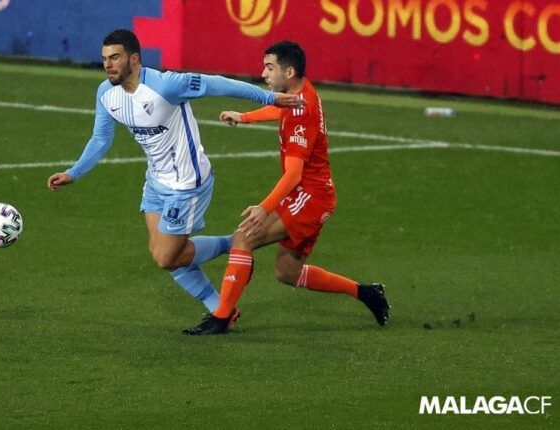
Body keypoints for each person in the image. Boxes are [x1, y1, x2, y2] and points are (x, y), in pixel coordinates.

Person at [47, 29, 304, 321]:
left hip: (187, 184)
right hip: (156, 182)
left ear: (134, 59)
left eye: (115, 57)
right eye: (105, 58)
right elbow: (101, 139)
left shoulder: (166, 85)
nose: (108, 64)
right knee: (163, 254)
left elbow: (215, 84)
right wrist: (74, 172)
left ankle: (236, 244)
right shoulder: (106, 94)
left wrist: (269, 98)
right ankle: (222, 309)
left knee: (167, 257)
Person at [183, 41, 390, 335]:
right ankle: (366, 292)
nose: (263, 73)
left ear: (289, 71)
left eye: (270, 67)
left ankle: (221, 317)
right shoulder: (301, 92)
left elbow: (293, 175)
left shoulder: (301, 117)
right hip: (313, 195)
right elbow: (282, 109)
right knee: (287, 272)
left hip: (310, 197)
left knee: (244, 237)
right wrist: (245, 117)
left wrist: (263, 208)